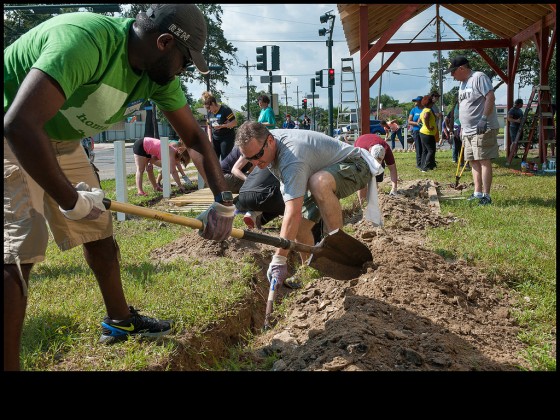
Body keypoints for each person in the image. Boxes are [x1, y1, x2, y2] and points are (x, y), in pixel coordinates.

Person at [4, 4, 236, 371]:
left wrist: (223, 202)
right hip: (14, 133)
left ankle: (119, 321)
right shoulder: (84, 42)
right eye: (185, 61)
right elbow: (18, 124)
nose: (184, 70)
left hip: (59, 139)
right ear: (163, 43)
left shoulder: (156, 76)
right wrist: (69, 200)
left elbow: (192, 136)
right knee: (20, 250)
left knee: (100, 234)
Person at [235, 122, 383, 289]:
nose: (255, 162)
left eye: (257, 155)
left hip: (355, 164)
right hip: (323, 172)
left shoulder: (292, 157)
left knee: (318, 183)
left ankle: (340, 250)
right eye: (249, 159)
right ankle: (310, 272)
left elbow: (293, 212)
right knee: (298, 228)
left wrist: (279, 259)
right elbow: (292, 212)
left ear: (270, 141)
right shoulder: (264, 144)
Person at [445, 55, 500, 205]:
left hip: (482, 128)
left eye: (453, 72)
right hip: (467, 131)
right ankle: (477, 192)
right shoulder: (462, 84)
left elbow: (490, 97)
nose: (452, 75)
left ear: (461, 68)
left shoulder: (478, 77)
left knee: (484, 160)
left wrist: (484, 118)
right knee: (472, 161)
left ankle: (486, 196)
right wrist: (462, 127)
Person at [354, 134, 399, 205]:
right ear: (369, 152)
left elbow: (392, 169)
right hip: (361, 148)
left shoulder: (386, 148)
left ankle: (373, 198)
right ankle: (362, 204)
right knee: (363, 178)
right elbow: (361, 181)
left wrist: (394, 189)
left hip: (372, 144)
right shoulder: (360, 151)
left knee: (375, 177)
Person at [235, 166, 284, 230]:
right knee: (292, 202)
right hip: (261, 196)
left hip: (242, 195)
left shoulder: (266, 160)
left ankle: (254, 214)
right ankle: (260, 218)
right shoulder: (288, 162)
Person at [201, 91, 237, 161]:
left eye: (209, 108)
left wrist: (223, 126)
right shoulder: (209, 113)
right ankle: (216, 172)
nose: (209, 110)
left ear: (213, 104)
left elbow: (234, 122)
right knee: (214, 159)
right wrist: (210, 139)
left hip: (227, 138)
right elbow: (209, 127)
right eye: (207, 109)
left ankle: (225, 171)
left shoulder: (225, 109)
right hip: (215, 138)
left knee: (224, 158)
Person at [419, 95, 438, 172]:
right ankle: (426, 167)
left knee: (425, 150)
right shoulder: (428, 111)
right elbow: (426, 117)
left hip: (423, 132)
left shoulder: (423, 110)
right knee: (431, 150)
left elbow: (420, 119)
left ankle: (423, 166)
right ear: (430, 103)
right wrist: (429, 127)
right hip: (428, 133)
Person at [408, 96, 424, 168]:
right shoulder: (413, 110)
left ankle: (425, 163)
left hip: (425, 131)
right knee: (418, 147)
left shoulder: (425, 109)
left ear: (421, 102)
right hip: (416, 131)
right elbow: (409, 121)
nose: (415, 102)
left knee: (424, 147)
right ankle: (419, 164)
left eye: (416, 101)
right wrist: (417, 123)